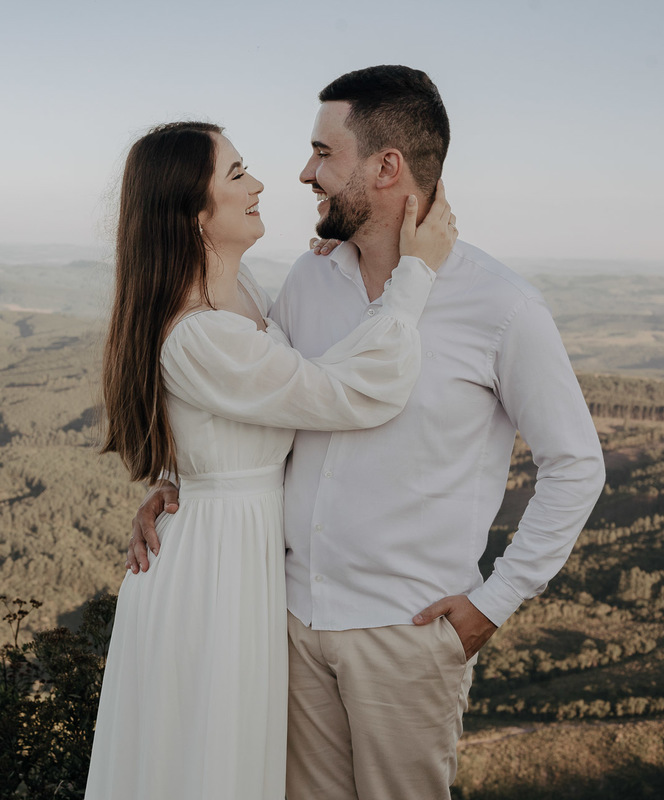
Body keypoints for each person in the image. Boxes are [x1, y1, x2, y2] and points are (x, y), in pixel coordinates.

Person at [127, 66, 606, 800]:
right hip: (285, 619)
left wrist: (495, 601)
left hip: (405, 632)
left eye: (323, 153)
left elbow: (575, 465)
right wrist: (180, 481)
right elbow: (254, 398)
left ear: (386, 167)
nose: (303, 173)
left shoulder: (503, 307)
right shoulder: (308, 279)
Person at [86, 119, 456, 800]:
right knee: (207, 757)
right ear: (193, 212)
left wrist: (176, 477)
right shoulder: (199, 332)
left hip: (246, 553)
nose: (258, 184)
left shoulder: (243, 288)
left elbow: (244, 401)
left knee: (230, 753)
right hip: (214, 569)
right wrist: (415, 274)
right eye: (236, 175)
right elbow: (349, 392)